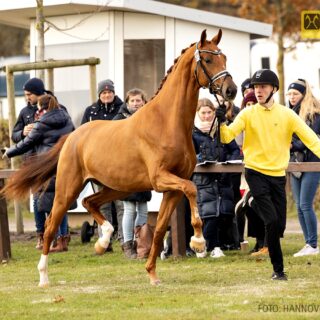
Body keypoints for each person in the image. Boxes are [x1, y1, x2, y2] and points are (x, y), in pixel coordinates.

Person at [215, 69, 320, 281]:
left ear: (273, 89)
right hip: (254, 172)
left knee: (279, 226)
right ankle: (278, 270)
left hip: (278, 175)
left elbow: (311, 140)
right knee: (271, 221)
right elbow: (227, 137)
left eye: (262, 87)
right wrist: (222, 122)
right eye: (255, 87)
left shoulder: (287, 114)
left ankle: (251, 203)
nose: (258, 91)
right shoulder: (247, 113)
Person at [3, 94, 75, 252]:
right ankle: (62, 239)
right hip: (65, 165)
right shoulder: (67, 119)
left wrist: (9, 152)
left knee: (44, 203)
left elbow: (27, 142)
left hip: (46, 166)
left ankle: (52, 239)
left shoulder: (42, 122)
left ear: (42, 108)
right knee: (60, 202)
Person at [192, 98, 240, 258]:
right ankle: (206, 246)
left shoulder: (221, 130)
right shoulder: (192, 133)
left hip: (223, 177)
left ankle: (215, 246)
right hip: (203, 179)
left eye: (209, 112)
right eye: (203, 113)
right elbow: (189, 154)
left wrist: (229, 164)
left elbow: (234, 149)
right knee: (208, 214)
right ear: (198, 113)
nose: (206, 116)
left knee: (222, 213)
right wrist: (200, 160)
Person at [81, 79, 124, 249]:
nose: (107, 95)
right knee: (102, 203)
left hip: (119, 162)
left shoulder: (122, 109)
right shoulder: (90, 111)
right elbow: (82, 134)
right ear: (100, 94)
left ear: (114, 93)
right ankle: (105, 240)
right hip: (98, 165)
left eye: (110, 92)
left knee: (121, 203)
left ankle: (123, 239)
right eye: (104, 93)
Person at [113, 88, 152, 259]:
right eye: (133, 101)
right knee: (129, 209)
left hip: (144, 169)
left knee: (143, 208)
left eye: (139, 100)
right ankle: (127, 244)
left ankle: (141, 243)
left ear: (144, 102)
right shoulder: (119, 119)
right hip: (127, 169)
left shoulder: (149, 118)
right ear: (127, 103)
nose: (136, 104)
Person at [287, 79, 320, 257]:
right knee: (299, 206)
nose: (292, 97)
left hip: (312, 163)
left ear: (304, 94)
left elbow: (311, 139)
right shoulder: (289, 112)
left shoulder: (314, 114)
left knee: (306, 204)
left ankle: (313, 244)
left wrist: (292, 145)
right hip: (295, 163)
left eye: (295, 94)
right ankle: (308, 243)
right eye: (289, 94)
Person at [235, 91, 268, 256]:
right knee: (248, 207)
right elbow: (238, 141)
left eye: (253, 104)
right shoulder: (242, 121)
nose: (250, 107)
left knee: (259, 204)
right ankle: (258, 241)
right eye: (247, 104)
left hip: (262, 169)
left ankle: (266, 242)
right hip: (245, 170)